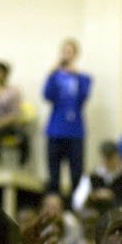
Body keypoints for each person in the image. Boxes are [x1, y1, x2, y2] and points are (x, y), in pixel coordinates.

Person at [43, 38, 93, 196]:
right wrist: (52, 74)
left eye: (71, 52)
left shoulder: (83, 78)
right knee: (54, 176)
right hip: (55, 130)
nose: (67, 55)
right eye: (65, 52)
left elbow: (83, 97)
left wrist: (76, 75)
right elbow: (47, 95)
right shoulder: (54, 76)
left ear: (76, 55)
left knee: (77, 174)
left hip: (75, 131)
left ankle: (75, 208)